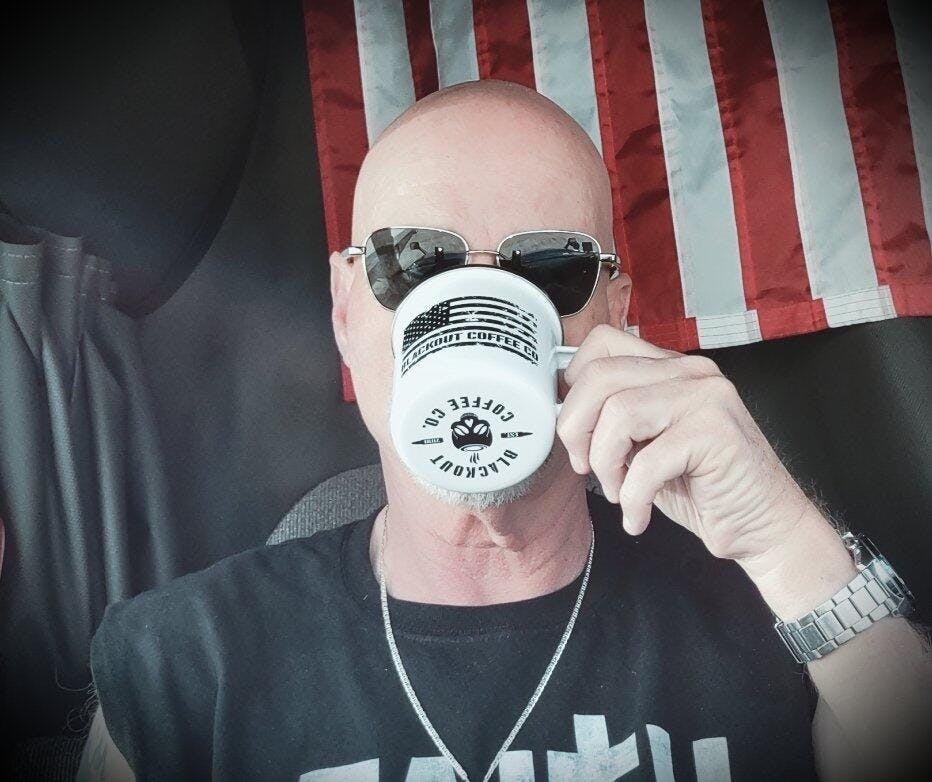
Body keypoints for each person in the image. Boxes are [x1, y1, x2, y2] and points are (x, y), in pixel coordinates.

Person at [77, 79, 932, 782]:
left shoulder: (785, 631)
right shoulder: (186, 665)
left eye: (549, 267)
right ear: (345, 309)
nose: (477, 313)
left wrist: (784, 543)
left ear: (613, 316)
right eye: (416, 262)